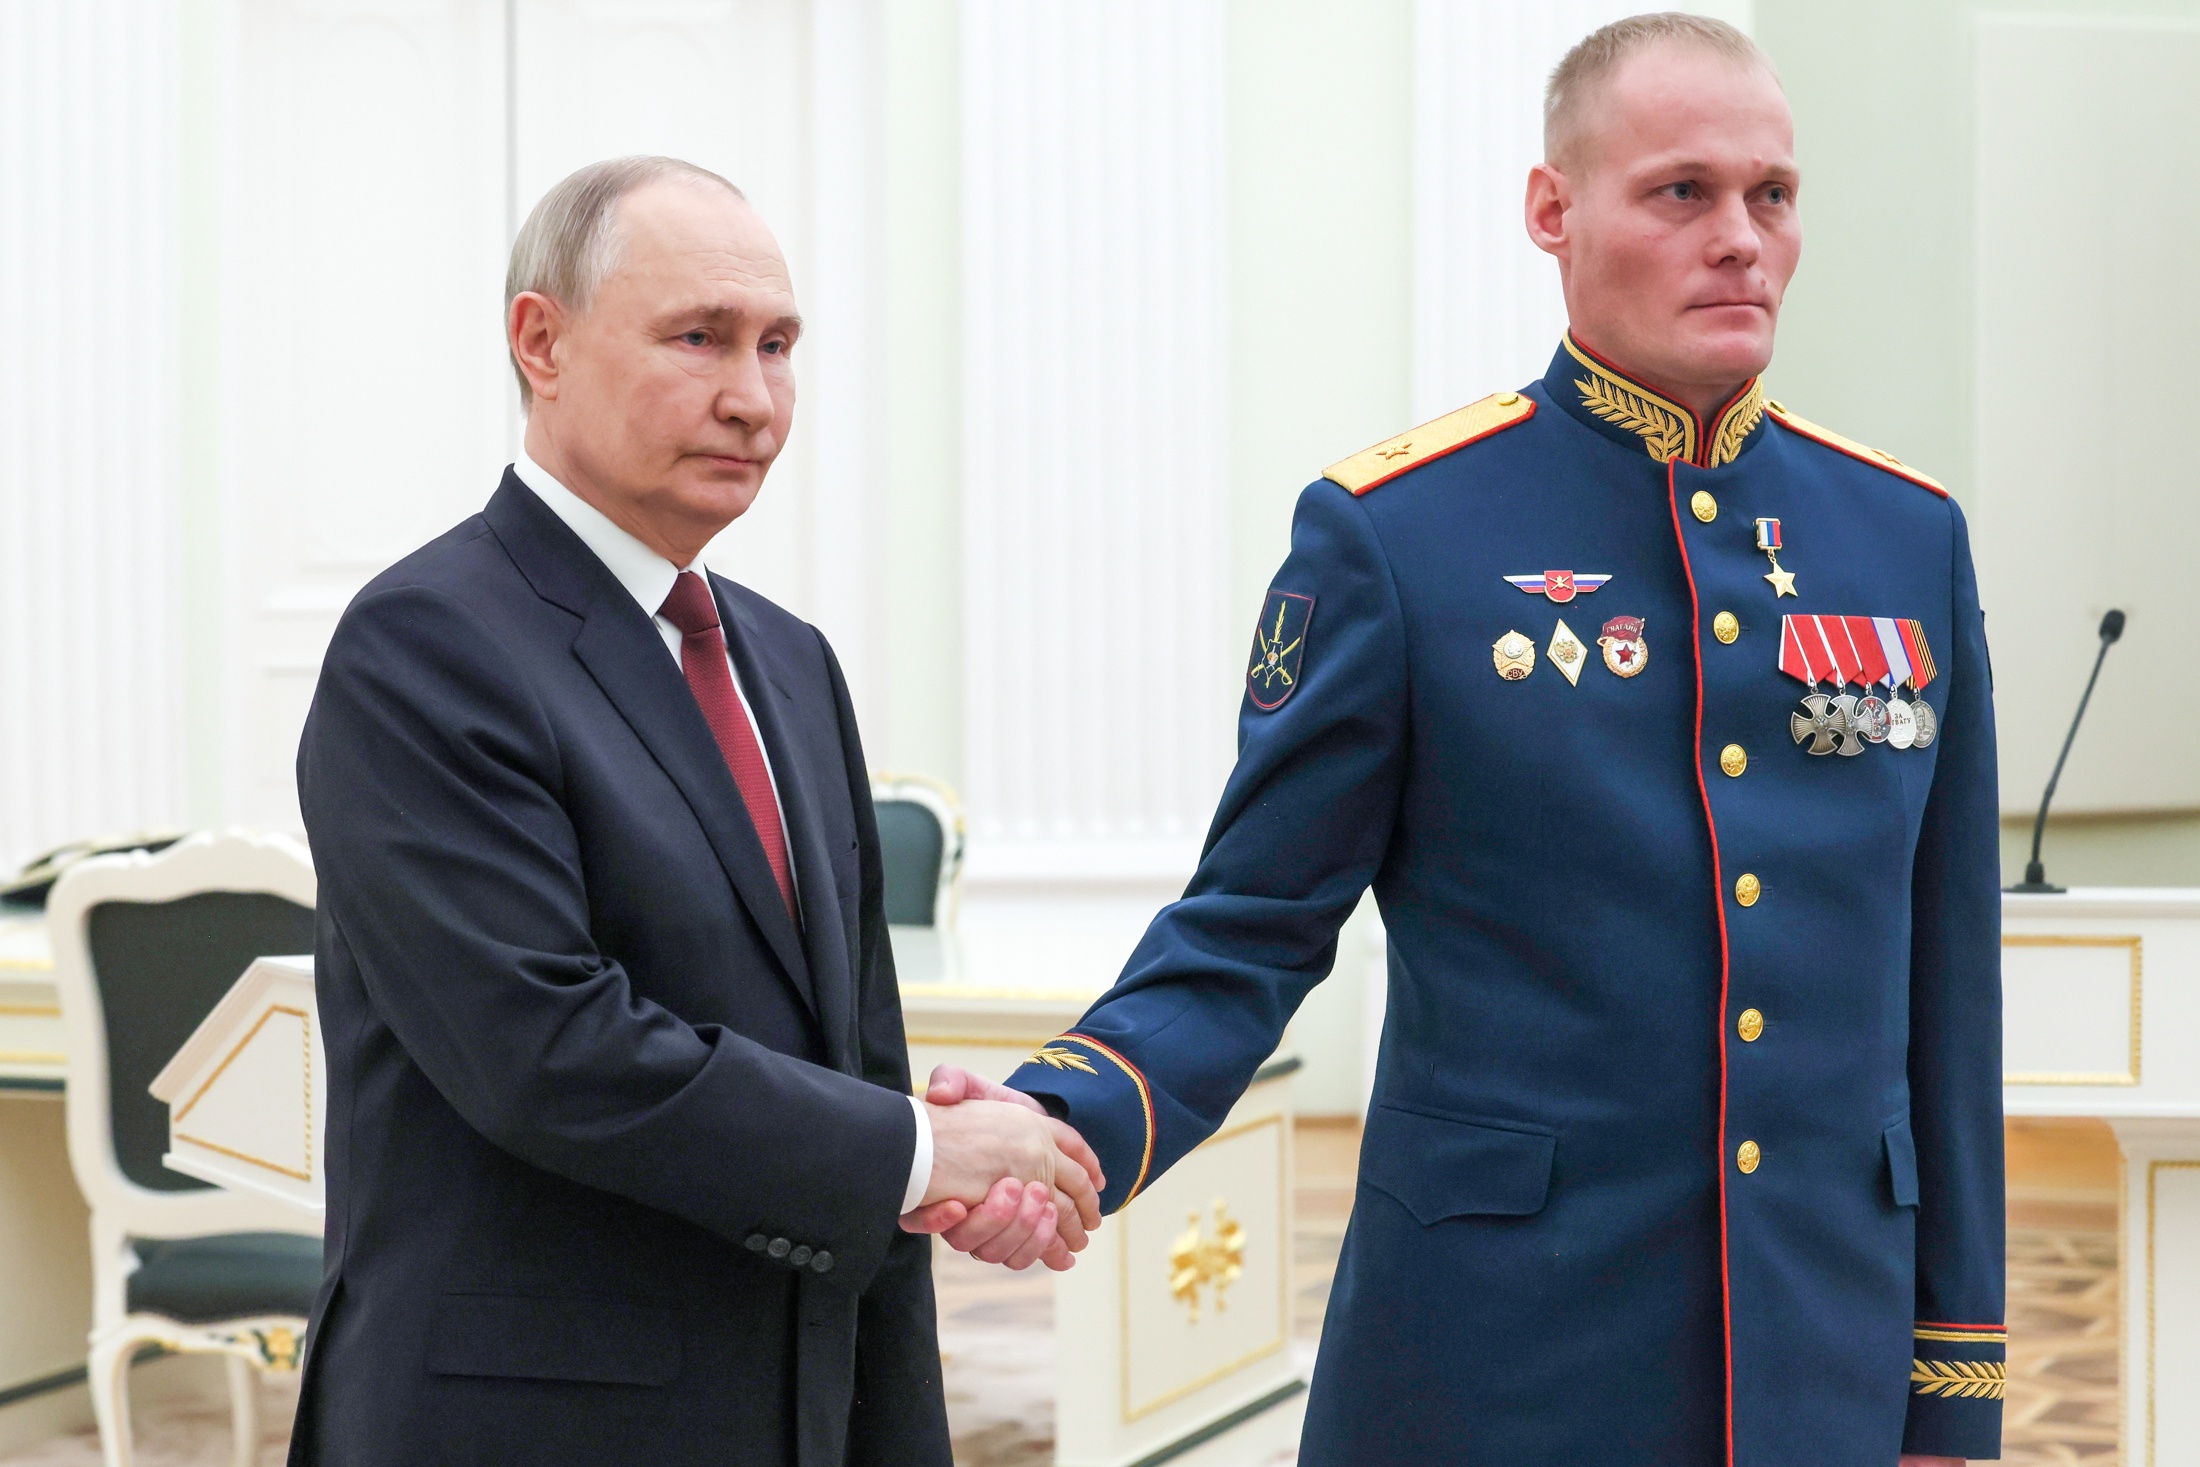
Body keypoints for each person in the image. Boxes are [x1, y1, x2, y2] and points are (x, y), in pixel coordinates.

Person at [930, 15, 2001, 1466]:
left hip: (1823, 1358)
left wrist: (1953, 1380)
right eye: (1682, 192)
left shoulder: (1906, 537)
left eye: (1773, 195)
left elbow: (1950, 993)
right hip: (1501, 1357)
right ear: (1552, 211)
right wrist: (1067, 1118)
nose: (1740, 239)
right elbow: (1250, 926)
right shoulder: (1401, 533)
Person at [289, 156, 1100, 1467]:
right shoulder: (425, 645)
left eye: (778, 346)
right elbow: (547, 1051)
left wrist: (928, 1177)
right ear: (541, 343)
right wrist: (915, 1152)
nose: (754, 400)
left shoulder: (789, 660)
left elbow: (851, 1056)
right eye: (699, 339)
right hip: (526, 1428)